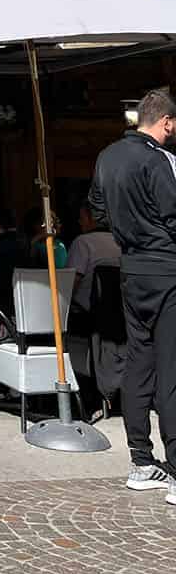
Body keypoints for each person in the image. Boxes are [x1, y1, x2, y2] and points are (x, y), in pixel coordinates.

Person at [90, 88, 176, 496]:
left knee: (139, 363)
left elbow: (97, 208)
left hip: (131, 270)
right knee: (171, 370)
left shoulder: (107, 156)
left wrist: (130, 231)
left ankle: (141, 460)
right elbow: (174, 215)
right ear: (167, 123)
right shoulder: (157, 160)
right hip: (166, 270)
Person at [65, 197, 121, 314]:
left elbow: (68, 287)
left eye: (82, 218)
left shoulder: (82, 242)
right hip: (118, 315)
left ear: (94, 218)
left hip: (85, 316)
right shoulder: (120, 242)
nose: (79, 222)